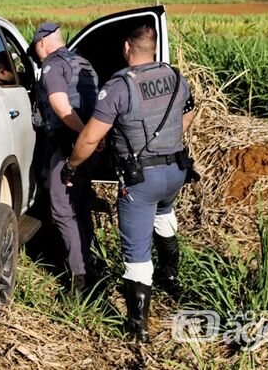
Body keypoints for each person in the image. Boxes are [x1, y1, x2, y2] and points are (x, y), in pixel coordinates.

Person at [60, 25, 197, 342]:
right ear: (154, 47)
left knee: (136, 254)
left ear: (126, 47)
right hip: (175, 171)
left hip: (140, 180)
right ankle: (171, 277)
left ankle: (138, 328)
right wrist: (168, 141)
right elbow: (188, 114)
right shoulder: (178, 78)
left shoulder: (119, 87)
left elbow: (91, 138)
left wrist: (71, 166)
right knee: (164, 216)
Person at [31, 22, 100, 292]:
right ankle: (92, 259)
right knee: (80, 203)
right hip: (90, 147)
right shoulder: (84, 63)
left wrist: (84, 134)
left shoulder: (52, 65)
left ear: (41, 44)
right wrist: (94, 137)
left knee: (61, 208)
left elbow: (61, 107)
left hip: (69, 144)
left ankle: (80, 279)